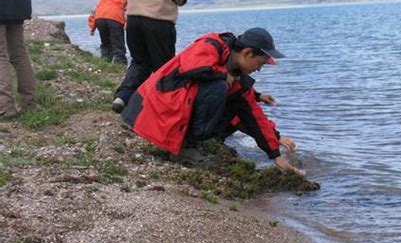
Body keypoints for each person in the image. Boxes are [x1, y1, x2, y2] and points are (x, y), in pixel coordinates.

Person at [121, 27, 305, 175]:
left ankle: (190, 145)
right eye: (261, 63)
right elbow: (191, 67)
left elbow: (253, 115)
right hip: (150, 111)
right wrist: (222, 74)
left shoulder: (237, 77)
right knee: (218, 87)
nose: (259, 69)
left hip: (167, 113)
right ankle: (186, 149)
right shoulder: (212, 44)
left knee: (239, 107)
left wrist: (275, 155)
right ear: (248, 53)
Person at [112, 0, 204, 113]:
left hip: (134, 17)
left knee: (140, 62)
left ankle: (122, 97)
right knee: (164, 67)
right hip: (158, 19)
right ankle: (166, 110)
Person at [88, 0, 133, 65]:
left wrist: (92, 26)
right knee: (118, 44)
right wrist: (127, 24)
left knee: (105, 43)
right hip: (115, 19)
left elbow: (97, 8)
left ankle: (105, 63)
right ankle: (120, 65)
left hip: (99, 19)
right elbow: (129, 10)